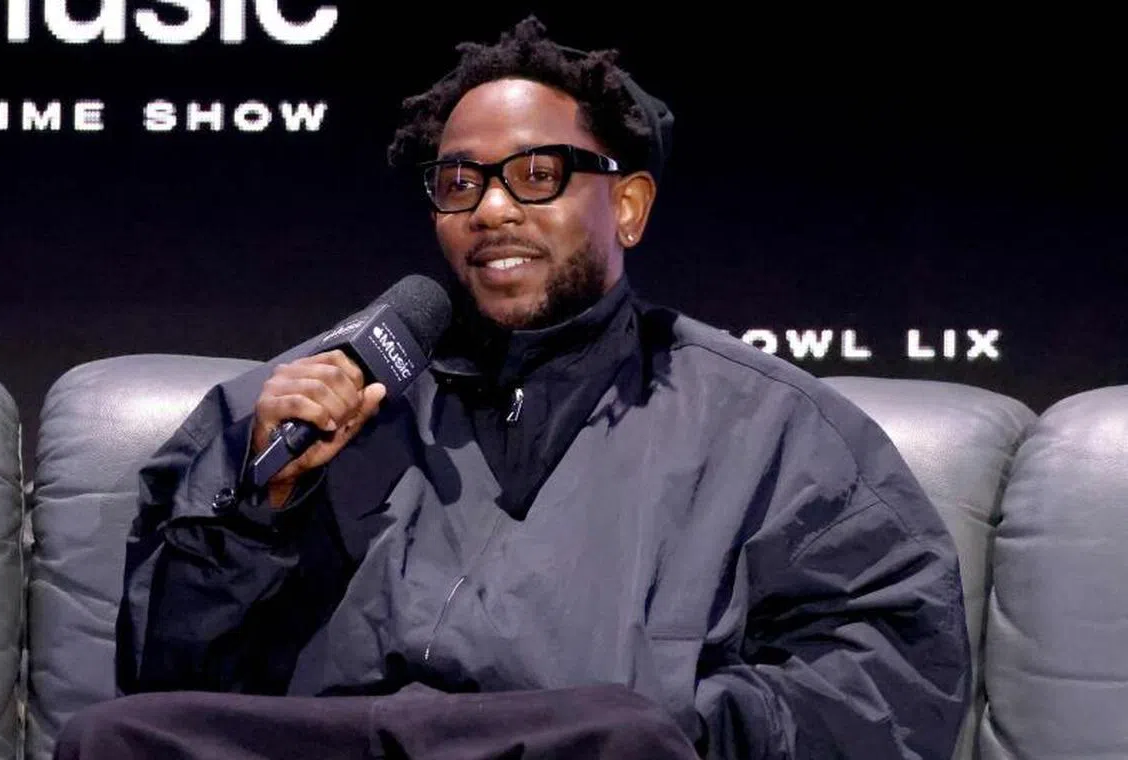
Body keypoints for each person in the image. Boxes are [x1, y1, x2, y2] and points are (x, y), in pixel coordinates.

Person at [55, 16, 971, 760]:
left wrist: (684, 735)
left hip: (580, 752)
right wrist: (259, 512)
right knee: (113, 738)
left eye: (537, 174)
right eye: (460, 183)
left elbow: (891, 671)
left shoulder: (772, 425)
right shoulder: (303, 397)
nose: (492, 207)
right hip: (326, 744)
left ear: (627, 206)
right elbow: (166, 672)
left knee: (623, 736)